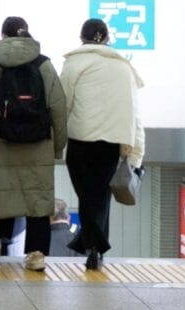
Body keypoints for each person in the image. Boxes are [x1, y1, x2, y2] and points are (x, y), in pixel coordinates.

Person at [0, 16, 69, 272]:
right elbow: (59, 108)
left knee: (0, 192)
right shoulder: (44, 65)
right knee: (37, 200)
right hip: (39, 144)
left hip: (1, 141)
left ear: (3, 36)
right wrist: (57, 146)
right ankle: (36, 254)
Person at [59, 18, 144, 272]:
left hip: (80, 140)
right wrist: (136, 152)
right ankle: (92, 246)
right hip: (111, 144)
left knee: (87, 195)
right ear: (107, 38)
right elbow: (135, 113)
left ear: (82, 38)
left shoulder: (74, 63)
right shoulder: (123, 67)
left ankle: (93, 247)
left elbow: (64, 103)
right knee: (100, 196)